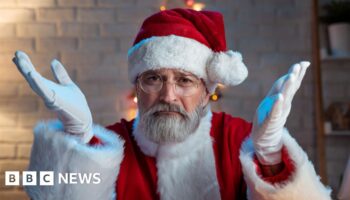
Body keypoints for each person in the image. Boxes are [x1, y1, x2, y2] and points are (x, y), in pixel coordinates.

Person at [13, 8, 331, 200]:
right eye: (153, 79)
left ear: (207, 91)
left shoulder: (243, 141)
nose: (168, 95)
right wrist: (75, 141)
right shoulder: (105, 143)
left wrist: (272, 154)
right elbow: (32, 184)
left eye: (184, 81)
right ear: (136, 87)